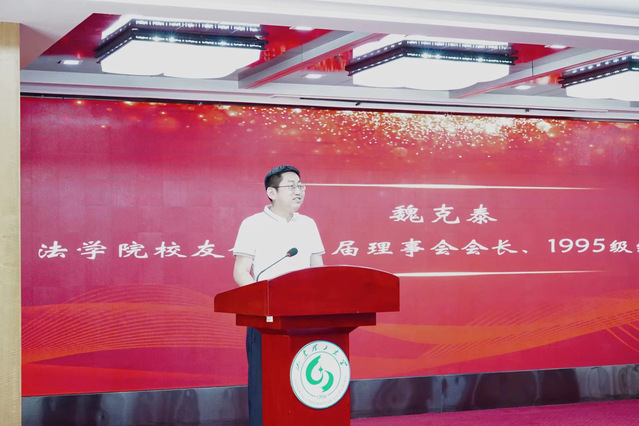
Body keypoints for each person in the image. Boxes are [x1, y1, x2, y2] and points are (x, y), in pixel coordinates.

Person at [232, 164, 325, 425]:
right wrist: (263, 303)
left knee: (304, 382)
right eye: (291, 186)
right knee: (268, 386)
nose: (298, 191)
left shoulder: (308, 224)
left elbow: (318, 270)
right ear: (271, 192)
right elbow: (241, 272)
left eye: (301, 186)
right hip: (267, 319)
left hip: (304, 318)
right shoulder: (253, 224)